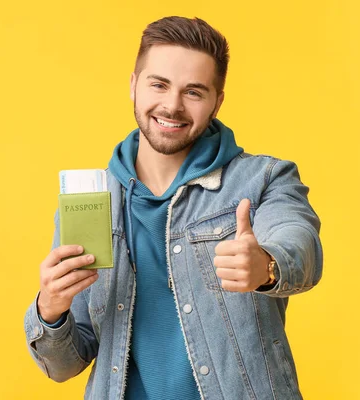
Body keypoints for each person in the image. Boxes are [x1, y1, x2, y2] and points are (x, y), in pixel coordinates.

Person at [24, 16, 323, 400]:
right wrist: (50, 308)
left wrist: (266, 264)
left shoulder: (264, 179)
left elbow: (301, 244)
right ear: (133, 85)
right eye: (159, 84)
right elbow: (66, 364)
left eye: (194, 92)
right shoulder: (88, 201)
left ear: (217, 102)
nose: (172, 105)